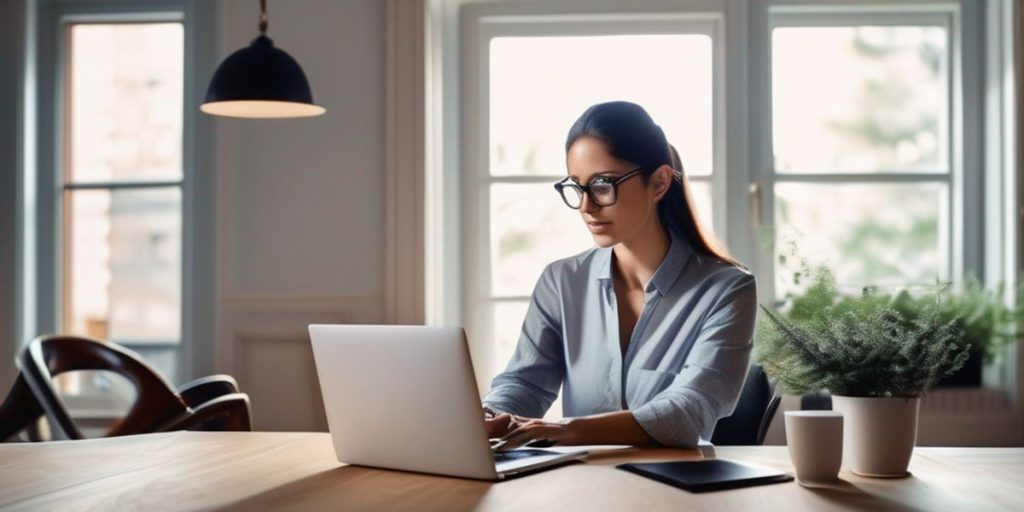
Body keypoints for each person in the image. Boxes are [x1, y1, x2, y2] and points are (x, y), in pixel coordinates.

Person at [482, 101, 756, 449]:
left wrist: (566, 430)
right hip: (581, 485)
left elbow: (690, 409)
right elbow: (525, 383)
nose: (586, 206)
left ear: (658, 183)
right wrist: (490, 416)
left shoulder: (727, 289)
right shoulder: (560, 281)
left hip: (675, 491)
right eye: (577, 186)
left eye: (602, 184)